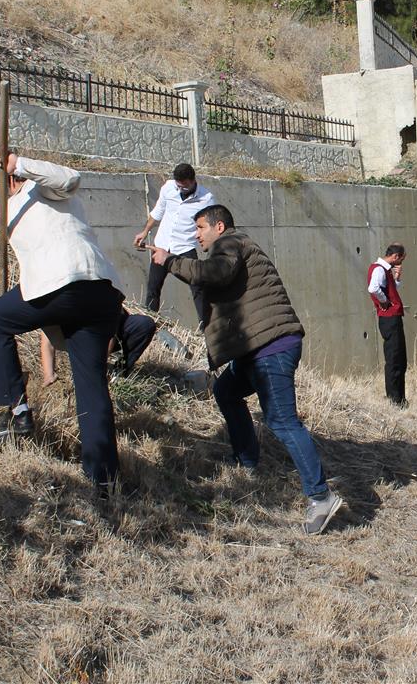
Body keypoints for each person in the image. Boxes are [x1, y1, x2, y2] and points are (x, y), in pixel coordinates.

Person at [153, 204, 344, 535]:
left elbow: (214, 273)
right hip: (256, 349)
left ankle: (321, 496)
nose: (197, 235)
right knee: (225, 391)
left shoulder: (229, 244)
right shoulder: (235, 245)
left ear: (220, 227)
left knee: (282, 422)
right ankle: (247, 462)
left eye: (201, 228)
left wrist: (169, 261)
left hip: (270, 347)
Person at [0, 154, 123, 493]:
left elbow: (70, 178)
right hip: (98, 294)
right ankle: (104, 480)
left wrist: (20, 163)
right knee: (91, 385)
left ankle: (17, 408)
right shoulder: (13, 208)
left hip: (67, 283)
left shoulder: (42, 189)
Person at [133, 163, 215, 321]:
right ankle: (150, 323)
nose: (180, 190)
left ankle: (205, 327)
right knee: (153, 288)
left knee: (198, 288)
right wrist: (145, 231)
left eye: (184, 187)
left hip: (185, 248)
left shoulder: (206, 198)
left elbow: (210, 227)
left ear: (193, 181)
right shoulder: (168, 188)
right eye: (178, 186)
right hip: (162, 245)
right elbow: (158, 212)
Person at [41, 308, 157, 385]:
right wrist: (48, 375)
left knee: (144, 325)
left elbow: (110, 334)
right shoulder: (56, 302)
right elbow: (47, 340)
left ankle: (120, 372)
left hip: (115, 330)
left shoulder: (97, 292)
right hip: (84, 337)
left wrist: (99, 368)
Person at [368, 243, 408, 407]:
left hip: (391, 317)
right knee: (394, 358)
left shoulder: (385, 270)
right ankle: (394, 399)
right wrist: (384, 302)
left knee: (399, 358)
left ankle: (400, 397)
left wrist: (396, 278)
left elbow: (389, 289)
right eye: (401, 260)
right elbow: (373, 288)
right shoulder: (379, 269)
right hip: (389, 318)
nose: (400, 264)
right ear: (396, 256)